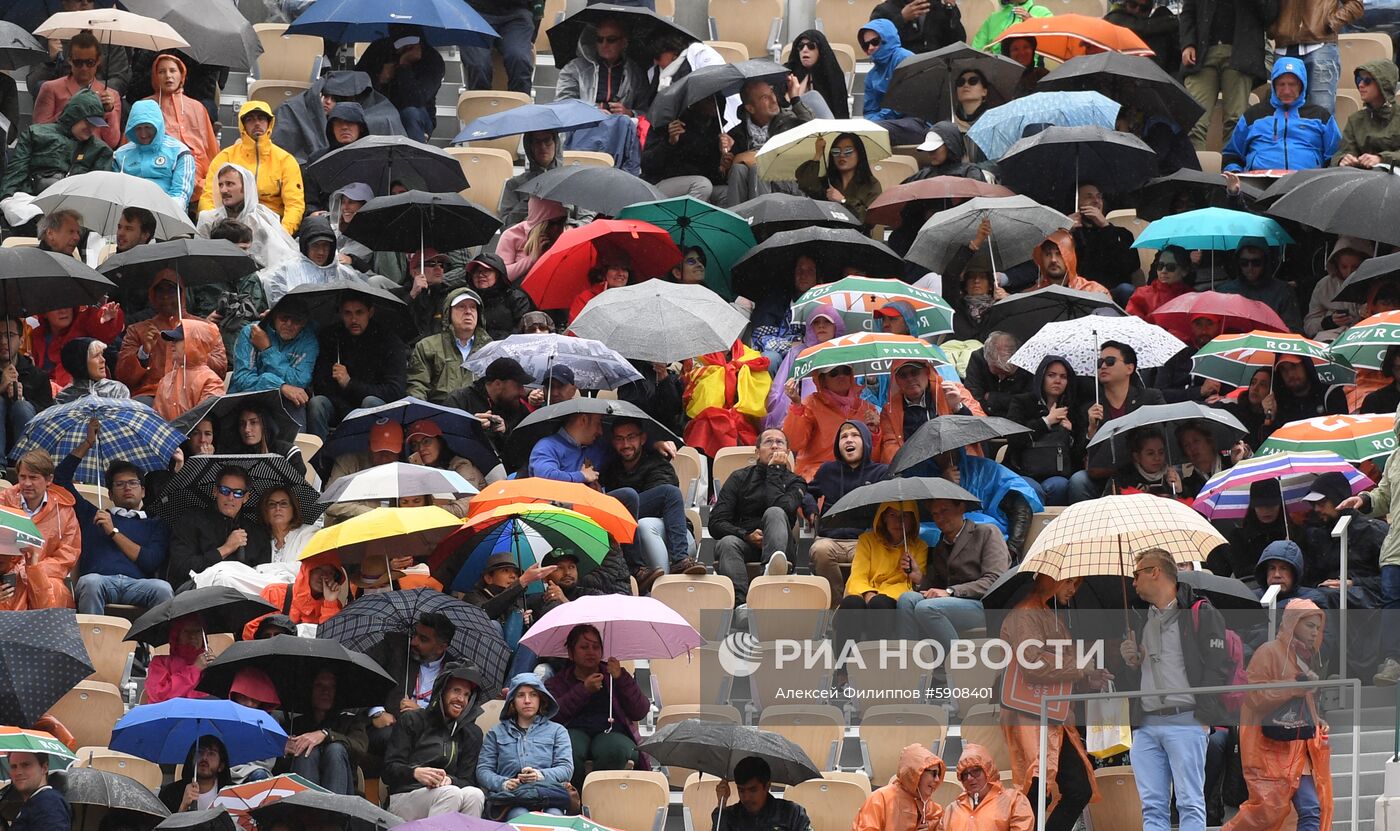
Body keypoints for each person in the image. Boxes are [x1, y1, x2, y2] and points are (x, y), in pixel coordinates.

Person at [1120, 549, 1235, 831]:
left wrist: (1204, 715)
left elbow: (1219, 666)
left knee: (1189, 802)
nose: (1133, 583)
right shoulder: (1138, 616)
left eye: (1136, 575)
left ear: (1155, 572)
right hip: (1146, 724)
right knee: (1152, 806)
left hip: (1186, 719)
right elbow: (1135, 676)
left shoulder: (1200, 611)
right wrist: (1131, 663)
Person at [1000, 576, 1106, 831]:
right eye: (1069, 582)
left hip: (1055, 715)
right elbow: (1032, 663)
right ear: (1049, 580)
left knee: (1076, 788)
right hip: (1029, 714)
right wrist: (1079, 668)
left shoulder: (1050, 614)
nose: (1072, 590)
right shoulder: (1025, 613)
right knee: (1037, 788)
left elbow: (1062, 673)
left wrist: (1088, 678)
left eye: (1077, 585)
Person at [1224, 600, 1332, 831]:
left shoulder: (1305, 657)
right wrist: (1294, 686)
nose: (1315, 633)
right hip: (1269, 750)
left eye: (1317, 627)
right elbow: (1254, 696)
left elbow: (1300, 701)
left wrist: (1316, 721)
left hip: (1298, 748)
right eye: (1310, 626)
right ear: (1293, 623)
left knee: (1311, 808)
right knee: (1266, 812)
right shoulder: (1269, 652)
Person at [62, 420, 172, 616]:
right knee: (89, 582)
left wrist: (113, 532)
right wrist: (88, 442)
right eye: (120, 484)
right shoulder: (94, 515)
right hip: (100, 581)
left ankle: (154, 645)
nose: (127, 488)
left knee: (163, 588)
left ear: (143, 491)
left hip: (139, 585)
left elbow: (151, 562)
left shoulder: (155, 523)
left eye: (132, 483)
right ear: (110, 494)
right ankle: (92, 645)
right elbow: (61, 479)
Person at [897, 496, 1009, 680]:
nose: (939, 518)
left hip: (983, 604)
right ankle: (911, 670)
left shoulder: (987, 532)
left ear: (961, 508)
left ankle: (964, 669)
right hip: (950, 605)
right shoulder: (942, 543)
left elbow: (995, 580)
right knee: (907, 599)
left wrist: (951, 591)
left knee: (927, 608)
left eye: (944, 510)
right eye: (935, 514)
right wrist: (918, 577)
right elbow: (936, 586)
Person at [709, 429, 810, 604]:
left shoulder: (796, 481)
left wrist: (774, 471)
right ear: (757, 452)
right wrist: (745, 535)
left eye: (780, 442)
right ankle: (741, 604)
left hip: (782, 548)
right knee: (726, 543)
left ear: (787, 452)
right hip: (746, 543)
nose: (774, 446)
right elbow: (716, 522)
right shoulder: (739, 478)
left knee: (775, 512)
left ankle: (767, 579)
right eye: (768, 442)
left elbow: (783, 509)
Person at [546, 624, 650, 789]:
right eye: (584, 647)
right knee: (570, 746)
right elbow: (551, 715)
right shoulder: (557, 682)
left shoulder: (615, 675)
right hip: (573, 731)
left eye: (596, 647)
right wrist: (583, 690)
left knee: (614, 748)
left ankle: (603, 801)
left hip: (611, 731)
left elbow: (640, 711)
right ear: (571, 654)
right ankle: (575, 800)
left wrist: (620, 678)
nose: (591, 652)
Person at [383, 662, 488, 819]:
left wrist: (450, 780)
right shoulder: (412, 720)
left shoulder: (472, 734)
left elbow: (468, 780)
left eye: (467, 695)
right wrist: (415, 773)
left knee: (475, 794)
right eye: (456, 691)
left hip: (447, 793)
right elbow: (388, 770)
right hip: (405, 796)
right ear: (442, 692)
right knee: (450, 794)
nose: (461, 699)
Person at [600, 419, 705, 575]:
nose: (625, 444)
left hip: (665, 526)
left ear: (643, 439)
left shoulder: (657, 463)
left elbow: (662, 501)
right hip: (624, 526)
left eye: (631, 437)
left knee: (662, 494)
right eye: (619, 439)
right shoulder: (611, 467)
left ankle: (680, 560)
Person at [1067, 342, 1166, 502]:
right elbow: (1077, 456)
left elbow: (1164, 435)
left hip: (1143, 474)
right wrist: (1091, 431)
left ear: (1129, 368)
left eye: (1110, 361)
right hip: (1105, 475)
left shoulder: (1150, 397)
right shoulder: (1090, 408)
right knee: (1079, 481)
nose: (1103, 366)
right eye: (1100, 363)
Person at [808, 420, 889, 606]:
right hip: (830, 540)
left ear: (866, 442)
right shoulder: (828, 470)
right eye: (843, 437)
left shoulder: (881, 472)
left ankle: (851, 606)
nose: (848, 440)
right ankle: (838, 605)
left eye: (854, 435)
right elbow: (807, 492)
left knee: (868, 556)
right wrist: (811, 509)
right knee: (819, 550)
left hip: (864, 541)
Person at [115, 272, 227, 404]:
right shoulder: (138, 330)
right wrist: (143, 352)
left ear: (182, 294)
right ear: (152, 295)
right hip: (152, 395)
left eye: (171, 290)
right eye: (160, 291)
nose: (166, 297)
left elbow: (220, 370)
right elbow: (123, 377)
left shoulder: (205, 327)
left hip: (194, 392)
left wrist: (195, 351)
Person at [308, 293, 407, 441]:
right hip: (339, 408)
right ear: (340, 313)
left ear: (370, 312)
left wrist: (350, 384)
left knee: (370, 402)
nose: (353, 320)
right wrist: (349, 414)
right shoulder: (331, 337)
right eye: (347, 313)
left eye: (359, 313)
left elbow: (395, 391)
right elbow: (321, 385)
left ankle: (370, 456)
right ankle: (319, 459)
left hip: (374, 408)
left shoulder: (388, 341)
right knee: (317, 404)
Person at [477, 672, 574, 821]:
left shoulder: (558, 731)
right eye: (521, 695)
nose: (527, 700)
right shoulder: (496, 733)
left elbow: (566, 768)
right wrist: (503, 783)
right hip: (511, 800)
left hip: (548, 796)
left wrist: (539, 775)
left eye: (533, 695)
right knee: (519, 816)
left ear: (541, 699)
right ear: (512, 702)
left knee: (554, 816)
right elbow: (483, 770)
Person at [198, 101, 305, 236]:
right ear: (242, 125)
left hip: (270, 227)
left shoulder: (285, 160)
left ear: (269, 123)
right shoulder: (225, 157)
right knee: (205, 217)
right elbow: (209, 197)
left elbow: (294, 204)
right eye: (250, 119)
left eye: (261, 118)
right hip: (230, 222)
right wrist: (219, 227)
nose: (257, 123)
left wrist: (283, 233)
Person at [367, 612, 459, 768]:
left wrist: (424, 714)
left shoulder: (455, 670)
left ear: (441, 647)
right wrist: (377, 712)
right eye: (414, 634)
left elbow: (457, 715)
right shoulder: (393, 647)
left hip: (429, 733)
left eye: (423, 639)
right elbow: (364, 677)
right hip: (389, 727)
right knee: (392, 737)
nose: (414, 642)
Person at [1179, 0, 1273, 147]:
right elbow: (1188, 12)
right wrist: (1187, 44)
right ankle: (1194, 168)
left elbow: (1270, 15)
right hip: (1201, 55)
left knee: (1235, 122)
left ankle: (1231, 167)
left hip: (1241, 55)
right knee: (1194, 121)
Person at [1223, 58, 1341, 173]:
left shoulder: (1321, 116)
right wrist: (1234, 172)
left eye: (1292, 84)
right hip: (1258, 185)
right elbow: (1232, 155)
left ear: (1302, 85)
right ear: (1273, 85)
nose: (1286, 91)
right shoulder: (1253, 116)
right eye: (1281, 84)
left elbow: (1336, 155)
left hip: (1306, 185)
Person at [166, 465, 273, 590]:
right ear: (215, 491)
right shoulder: (192, 519)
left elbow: (262, 575)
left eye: (238, 493)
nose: (231, 497)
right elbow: (181, 568)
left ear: (246, 497)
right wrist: (225, 549)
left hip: (243, 595)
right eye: (225, 490)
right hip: (195, 589)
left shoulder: (257, 532)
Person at [0, 450, 80, 612]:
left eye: (34, 477)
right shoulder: (3, 503)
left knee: (54, 591)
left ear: (49, 479)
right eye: (23, 477)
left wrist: (33, 567)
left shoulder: (64, 511)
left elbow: (68, 554)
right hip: (5, 577)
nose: (27, 483)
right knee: (9, 592)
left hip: (47, 576)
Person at [837, 502, 926, 647]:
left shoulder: (920, 547)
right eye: (893, 515)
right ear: (883, 517)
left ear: (913, 520)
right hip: (864, 593)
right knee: (851, 603)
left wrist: (913, 572)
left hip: (893, 598)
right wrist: (868, 593)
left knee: (880, 604)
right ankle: (843, 666)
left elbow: (912, 585)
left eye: (905, 516)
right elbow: (859, 574)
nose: (899, 521)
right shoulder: (867, 540)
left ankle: (876, 661)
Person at [271, 71, 406, 166]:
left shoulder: (379, 116)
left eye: (335, 98)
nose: (328, 102)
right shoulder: (292, 110)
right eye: (325, 96)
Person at [0, 89, 113, 200]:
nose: (91, 128)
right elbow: (16, 172)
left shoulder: (100, 150)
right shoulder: (35, 134)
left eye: (95, 124)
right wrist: (5, 199)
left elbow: (98, 193)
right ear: (74, 115)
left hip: (72, 209)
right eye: (88, 123)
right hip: (30, 200)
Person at [230, 295, 319, 428]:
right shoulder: (252, 332)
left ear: (304, 322)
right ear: (274, 316)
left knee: (297, 400)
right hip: (248, 398)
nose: (289, 324)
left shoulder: (309, 341)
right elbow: (242, 379)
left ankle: (297, 447)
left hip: (285, 401)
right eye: (284, 318)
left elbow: (299, 381)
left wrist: (267, 349)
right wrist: (280, 386)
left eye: (296, 320)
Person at [723, 78, 815, 206]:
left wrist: (795, 99)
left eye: (772, 93)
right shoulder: (737, 133)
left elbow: (814, 130)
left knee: (758, 168)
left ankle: (762, 223)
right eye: (765, 97)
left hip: (790, 182)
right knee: (738, 169)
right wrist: (726, 163)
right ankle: (736, 220)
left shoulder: (787, 121)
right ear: (750, 108)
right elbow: (730, 171)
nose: (773, 99)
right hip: (753, 183)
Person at [1301, 470, 1385, 606]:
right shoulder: (1317, 535)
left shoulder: (1373, 531)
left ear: (1338, 499)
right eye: (1313, 504)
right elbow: (1311, 576)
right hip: (1327, 595)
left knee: (1326, 596)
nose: (1316, 509)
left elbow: (1391, 579)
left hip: (1369, 598)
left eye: (1321, 503)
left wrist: (1354, 582)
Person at [782, 365, 881, 481]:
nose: (841, 376)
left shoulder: (867, 408)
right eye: (834, 373)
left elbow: (873, 457)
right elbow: (793, 443)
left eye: (846, 371)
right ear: (822, 380)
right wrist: (797, 406)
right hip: (818, 472)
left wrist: (874, 432)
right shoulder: (809, 405)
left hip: (857, 472)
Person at [196, 163, 301, 270]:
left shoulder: (263, 218)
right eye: (220, 185)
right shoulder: (208, 219)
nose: (223, 190)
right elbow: (200, 258)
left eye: (229, 184)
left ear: (245, 187)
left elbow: (279, 258)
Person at [145, 53, 219, 204]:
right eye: (162, 71)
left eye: (173, 71)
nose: (168, 76)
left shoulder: (197, 107)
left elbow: (211, 150)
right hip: (159, 166)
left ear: (181, 75)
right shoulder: (145, 106)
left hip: (196, 169)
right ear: (154, 76)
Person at [279, 669, 367, 795]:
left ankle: (334, 813)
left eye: (332, 686)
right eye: (319, 685)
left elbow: (360, 749)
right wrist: (284, 750)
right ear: (310, 690)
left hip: (343, 794)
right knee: (306, 750)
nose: (326, 691)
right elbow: (278, 769)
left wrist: (326, 735)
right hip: (300, 797)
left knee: (335, 749)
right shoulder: (295, 724)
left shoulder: (350, 721)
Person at [1006, 356, 1080, 506]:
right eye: (1051, 375)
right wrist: (1047, 421)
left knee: (1059, 486)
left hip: (1058, 473)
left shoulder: (1072, 408)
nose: (1057, 381)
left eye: (1063, 377)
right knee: (1032, 488)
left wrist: (1072, 433)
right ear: (1041, 377)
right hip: (1023, 470)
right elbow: (1014, 438)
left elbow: (1078, 454)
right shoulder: (1021, 402)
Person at [32, 32, 121, 150]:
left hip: (93, 160)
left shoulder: (111, 95)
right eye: (78, 62)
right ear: (69, 60)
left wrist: (110, 111)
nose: (84, 68)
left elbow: (112, 142)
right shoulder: (50, 88)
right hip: (57, 155)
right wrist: (71, 110)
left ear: (98, 61)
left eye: (90, 62)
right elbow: (38, 133)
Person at [1269, 0, 1361, 113]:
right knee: (1280, 110)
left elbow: (1355, 4)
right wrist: (1272, 27)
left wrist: (1332, 22)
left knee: (1321, 110)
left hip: (1320, 45)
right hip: (1284, 46)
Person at [876, 359, 976, 463]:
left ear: (927, 372)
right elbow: (890, 449)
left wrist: (958, 407)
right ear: (896, 380)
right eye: (903, 375)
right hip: (915, 470)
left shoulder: (954, 391)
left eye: (914, 372)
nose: (910, 379)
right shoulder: (889, 410)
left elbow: (979, 432)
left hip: (961, 464)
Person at [406, 287, 493, 403]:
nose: (468, 311)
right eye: (461, 306)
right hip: (439, 412)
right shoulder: (427, 346)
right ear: (448, 313)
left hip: (478, 414)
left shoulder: (491, 349)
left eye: (473, 307)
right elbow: (417, 385)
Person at [356, 31, 445, 141]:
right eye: (401, 46)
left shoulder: (432, 59)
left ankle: (414, 154)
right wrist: (379, 79)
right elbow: (356, 83)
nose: (405, 49)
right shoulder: (379, 49)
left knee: (410, 113)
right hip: (379, 108)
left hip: (418, 114)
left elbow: (417, 99)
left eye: (410, 45)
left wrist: (404, 66)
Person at [262, 215, 368, 305]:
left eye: (325, 246)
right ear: (305, 246)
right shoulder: (286, 271)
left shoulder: (342, 272)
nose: (321, 252)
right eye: (315, 245)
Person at [641, 93, 729, 202]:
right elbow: (647, 165)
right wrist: (669, 143)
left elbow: (707, 172)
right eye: (709, 99)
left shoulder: (715, 130)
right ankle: (685, 219)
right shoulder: (669, 121)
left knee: (726, 193)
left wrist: (722, 162)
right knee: (702, 185)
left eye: (716, 100)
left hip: (694, 183)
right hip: (659, 182)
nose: (714, 103)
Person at [555, 18, 652, 115]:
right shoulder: (574, 68)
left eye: (611, 40)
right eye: (599, 40)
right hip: (584, 128)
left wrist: (629, 113)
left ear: (624, 42)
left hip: (621, 127)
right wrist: (592, 111)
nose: (604, 44)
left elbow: (646, 111)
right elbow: (563, 104)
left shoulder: (636, 73)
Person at [450, 357, 533, 466]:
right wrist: (471, 427)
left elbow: (526, 449)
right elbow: (444, 440)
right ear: (498, 384)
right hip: (469, 469)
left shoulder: (519, 409)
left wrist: (505, 432)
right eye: (518, 386)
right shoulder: (460, 400)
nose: (523, 392)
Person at [112, 100, 196, 205]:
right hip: (128, 211)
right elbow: (114, 191)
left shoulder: (179, 152)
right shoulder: (120, 155)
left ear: (158, 126)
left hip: (166, 211)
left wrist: (165, 214)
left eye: (148, 127)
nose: (143, 134)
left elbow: (181, 194)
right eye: (138, 129)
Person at [857, 20, 926, 145]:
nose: (871, 48)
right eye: (866, 45)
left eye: (875, 42)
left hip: (918, 122)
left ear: (887, 39)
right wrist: (872, 123)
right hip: (888, 124)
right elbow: (869, 111)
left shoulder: (905, 58)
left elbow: (902, 103)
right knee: (862, 132)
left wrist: (875, 123)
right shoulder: (871, 75)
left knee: (872, 131)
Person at [1071, 182, 1140, 303]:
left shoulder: (1121, 233)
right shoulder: (1071, 234)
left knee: (1126, 289)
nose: (1096, 201)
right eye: (1089, 197)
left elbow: (1131, 266)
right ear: (1077, 204)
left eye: (1098, 196)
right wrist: (1066, 230)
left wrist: (1105, 227)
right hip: (1082, 294)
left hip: (1114, 294)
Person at [851, 743, 945, 831]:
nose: (937, 779)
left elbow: (946, 824)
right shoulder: (880, 799)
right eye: (933, 773)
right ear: (916, 773)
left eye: (938, 774)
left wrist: (931, 826)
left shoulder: (927, 805)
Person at [943, 744, 1036, 831]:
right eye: (965, 774)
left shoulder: (1014, 800)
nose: (970, 778)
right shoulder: (952, 810)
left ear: (988, 771)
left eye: (976, 771)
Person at [407, 419, 488, 515]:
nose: (420, 448)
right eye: (415, 445)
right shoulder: (420, 473)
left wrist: (427, 510)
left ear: (440, 442)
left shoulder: (462, 466)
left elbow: (464, 509)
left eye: (426, 441)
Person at [711, 756, 814, 831]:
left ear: (767, 786)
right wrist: (721, 804)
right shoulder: (729, 816)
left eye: (753, 790)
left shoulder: (792, 813)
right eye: (741, 790)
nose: (746, 798)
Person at [152, 322, 226, 421]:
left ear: (194, 343)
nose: (172, 344)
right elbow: (156, 420)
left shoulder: (210, 381)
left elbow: (206, 421)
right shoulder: (165, 381)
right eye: (172, 340)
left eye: (178, 339)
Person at [1335, 60, 1400, 168]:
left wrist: (1381, 158)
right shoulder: (1355, 120)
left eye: (1367, 80)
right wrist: (1343, 159)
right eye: (1359, 79)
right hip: (1364, 178)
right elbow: (1342, 152)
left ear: (1383, 84)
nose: (1360, 85)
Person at [1305, 237, 1368, 342]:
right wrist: (1328, 322)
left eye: (1355, 267)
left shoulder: (1374, 285)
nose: (1349, 272)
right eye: (1344, 267)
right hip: (1331, 339)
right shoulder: (1324, 285)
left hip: (1363, 338)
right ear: (1336, 265)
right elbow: (1308, 325)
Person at [0, 319, 49, 451]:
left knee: (22, 406)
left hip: (27, 448)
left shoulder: (38, 376)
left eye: (9, 335)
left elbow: (48, 416)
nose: (3, 341)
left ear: (21, 340)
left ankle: (24, 462)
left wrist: (22, 399)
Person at [499, 196, 568, 282]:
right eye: (551, 223)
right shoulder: (512, 235)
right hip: (516, 291)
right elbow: (501, 276)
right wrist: (532, 258)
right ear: (539, 223)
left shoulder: (565, 237)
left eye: (561, 222)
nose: (556, 228)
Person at [146, 615, 214, 703]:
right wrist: (194, 669)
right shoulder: (160, 663)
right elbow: (158, 696)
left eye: (197, 631)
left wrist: (214, 672)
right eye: (187, 631)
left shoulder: (210, 664)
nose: (192, 636)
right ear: (177, 636)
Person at [964, 331, 1031, 419]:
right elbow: (972, 397)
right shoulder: (978, 359)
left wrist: (993, 398)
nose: (1001, 377)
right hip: (983, 417)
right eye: (997, 370)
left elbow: (1028, 403)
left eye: (1007, 374)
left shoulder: (1028, 363)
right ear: (987, 359)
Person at [499, 132, 562, 226]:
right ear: (529, 147)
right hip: (527, 238)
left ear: (556, 144)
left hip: (566, 238)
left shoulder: (571, 180)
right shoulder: (514, 184)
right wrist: (528, 199)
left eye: (547, 140)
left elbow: (586, 217)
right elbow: (505, 225)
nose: (543, 146)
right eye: (537, 142)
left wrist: (569, 227)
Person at [158, 736, 232, 813]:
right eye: (200, 752)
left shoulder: (232, 794)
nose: (204, 758)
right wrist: (183, 806)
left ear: (221, 766)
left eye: (211, 753)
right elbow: (162, 824)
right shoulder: (169, 793)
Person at [784, 30, 849, 118]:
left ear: (820, 50)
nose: (805, 50)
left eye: (811, 46)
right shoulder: (786, 74)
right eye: (800, 46)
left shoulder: (832, 76)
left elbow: (841, 114)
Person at [470, 254, 534, 340]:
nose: (481, 275)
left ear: (498, 274)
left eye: (486, 270)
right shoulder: (468, 300)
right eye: (477, 271)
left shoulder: (516, 298)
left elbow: (525, 330)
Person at [1105, 0, 1180, 73]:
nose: (1137, 10)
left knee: (1162, 12)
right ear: (1126, 3)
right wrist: (1177, 22)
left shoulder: (1150, 24)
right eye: (1133, 5)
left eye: (1144, 8)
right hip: (1120, 66)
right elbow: (1142, 28)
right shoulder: (1116, 16)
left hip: (1144, 65)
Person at [1032, 230, 1111, 296]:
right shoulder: (1033, 294)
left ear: (1070, 257)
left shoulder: (1095, 293)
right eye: (1047, 254)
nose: (1053, 259)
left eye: (1059, 253)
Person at [6, 751, 69, 830]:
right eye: (13, 766)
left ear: (44, 768)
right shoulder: (36, 801)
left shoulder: (49, 802)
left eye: (25, 765)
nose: (18, 772)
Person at [569, 257, 632, 324]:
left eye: (625, 269)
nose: (621, 274)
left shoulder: (633, 298)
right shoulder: (585, 298)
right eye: (615, 268)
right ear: (604, 272)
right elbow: (575, 329)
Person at [971, 0, 1053, 51]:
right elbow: (976, 48)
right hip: (997, 69)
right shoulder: (993, 18)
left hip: (1031, 70)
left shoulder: (1042, 12)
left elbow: (1053, 41)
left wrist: (1033, 24)